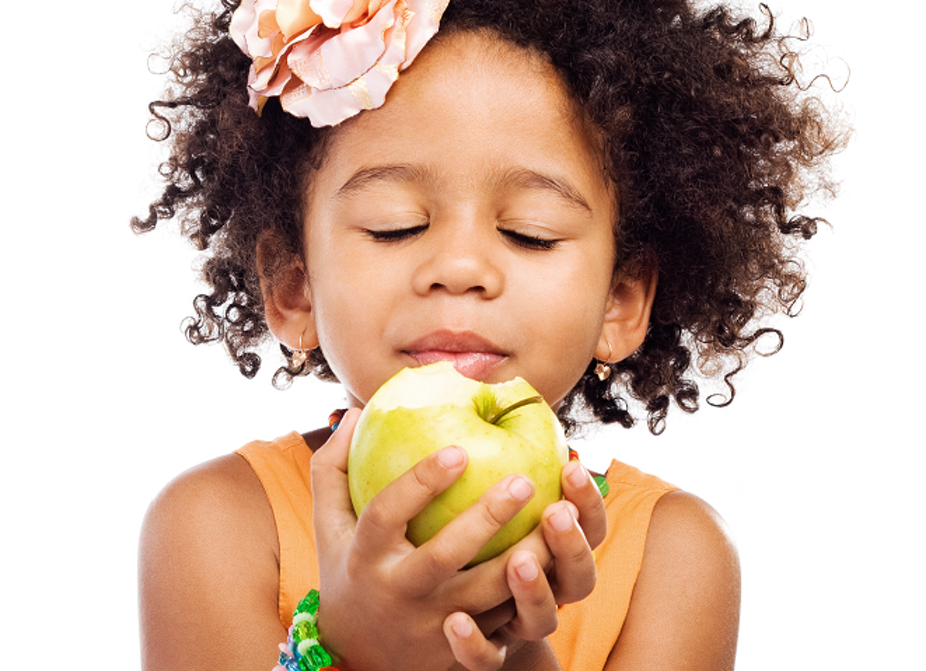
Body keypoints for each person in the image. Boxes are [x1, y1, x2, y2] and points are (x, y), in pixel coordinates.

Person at [133, 1, 846, 669]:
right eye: (396, 224)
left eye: (529, 234)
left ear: (620, 301)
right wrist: (350, 645)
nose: (460, 268)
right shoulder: (215, 527)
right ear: (295, 288)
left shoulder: (673, 555)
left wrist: (516, 656)